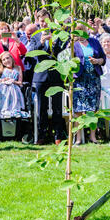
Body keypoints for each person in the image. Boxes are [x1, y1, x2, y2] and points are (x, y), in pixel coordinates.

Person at [28, 8, 66, 145]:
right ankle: (42, 135)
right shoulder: (35, 36)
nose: (44, 23)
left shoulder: (58, 34)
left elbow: (63, 52)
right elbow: (31, 54)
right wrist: (42, 42)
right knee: (41, 108)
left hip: (56, 75)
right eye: (42, 21)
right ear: (38, 22)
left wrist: (55, 43)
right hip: (41, 77)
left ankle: (58, 135)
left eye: (46, 20)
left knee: (57, 107)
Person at [72, 23, 106, 145]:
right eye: (78, 31)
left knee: (93, 109)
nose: (81, 34)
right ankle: (79, 138)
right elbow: (67, 60)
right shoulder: (72, 45)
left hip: (94, 79)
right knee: (78, 109)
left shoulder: (94, 42)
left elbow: (103, 58)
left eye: (82, 31)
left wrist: (97, 61)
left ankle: (93, 136)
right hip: (79, 79)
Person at [0, 51, 27, 119]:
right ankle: (5, 110)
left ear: (11, 58)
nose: (6, 61)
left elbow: (20, 82)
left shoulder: (18, 68)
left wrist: (13, 81)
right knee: (6, 88)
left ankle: (14, 110)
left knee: (12, 88)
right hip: (3, 88)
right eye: (4, 60)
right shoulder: (0, 69)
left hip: (14, 87)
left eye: (7, 58)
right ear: (2, 62)